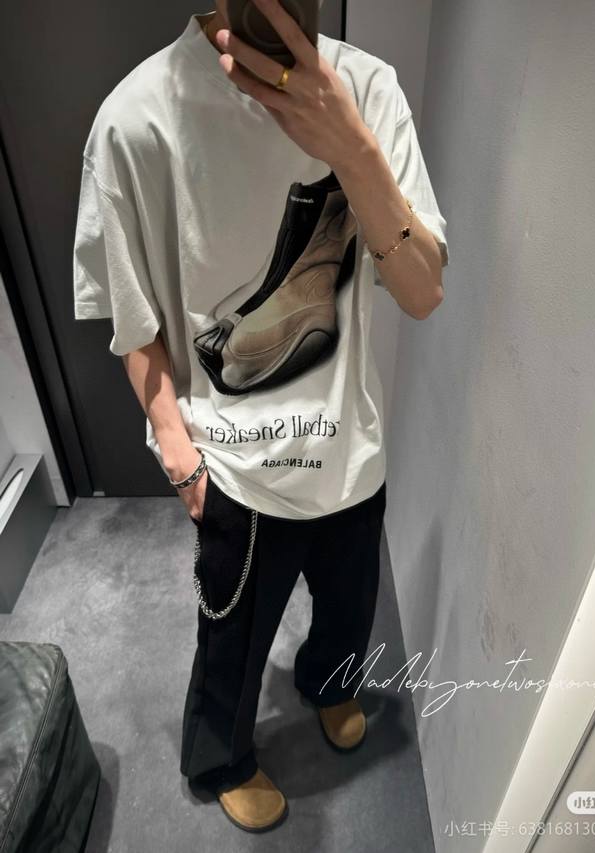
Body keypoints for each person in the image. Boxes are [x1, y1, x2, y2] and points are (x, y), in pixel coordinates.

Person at [73, 0, 449, 834]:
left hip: (348, 441)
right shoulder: (134, 121)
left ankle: (327, 682)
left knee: (350, 606)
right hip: (234, 465)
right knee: (231, 641)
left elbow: (423, 291)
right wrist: (179, 455)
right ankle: (220, 758)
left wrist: (351, 147)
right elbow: (132, 322)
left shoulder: (368, 91)